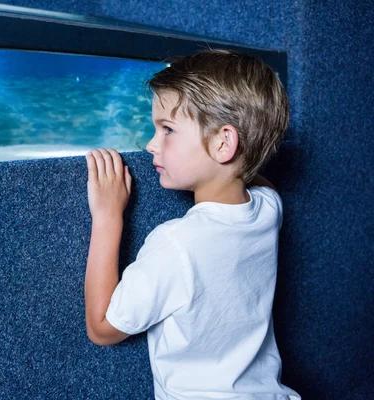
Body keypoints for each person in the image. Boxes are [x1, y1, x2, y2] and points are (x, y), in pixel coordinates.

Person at [84, 48, 301, 399]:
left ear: (223, 142)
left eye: (167, 129)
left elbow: (102, 327)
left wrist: (108, 217)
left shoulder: (176, 243)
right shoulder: (267, 210)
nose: (151, 144)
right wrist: (240, 158)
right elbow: (263, 185)